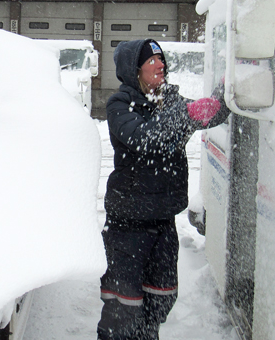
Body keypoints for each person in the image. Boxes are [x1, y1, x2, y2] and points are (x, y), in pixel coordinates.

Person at [97, 39, 230, 340]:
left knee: (161, 297)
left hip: (162, 220)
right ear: (135, 69)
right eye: (152, 60)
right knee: (123, 306)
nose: (161, 65)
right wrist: (188, 114)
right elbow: (146, 138)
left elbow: (209, 113)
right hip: (128, 223)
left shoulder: (169, 98)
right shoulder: (120, 105)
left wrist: (228, 88)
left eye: (161, 59)